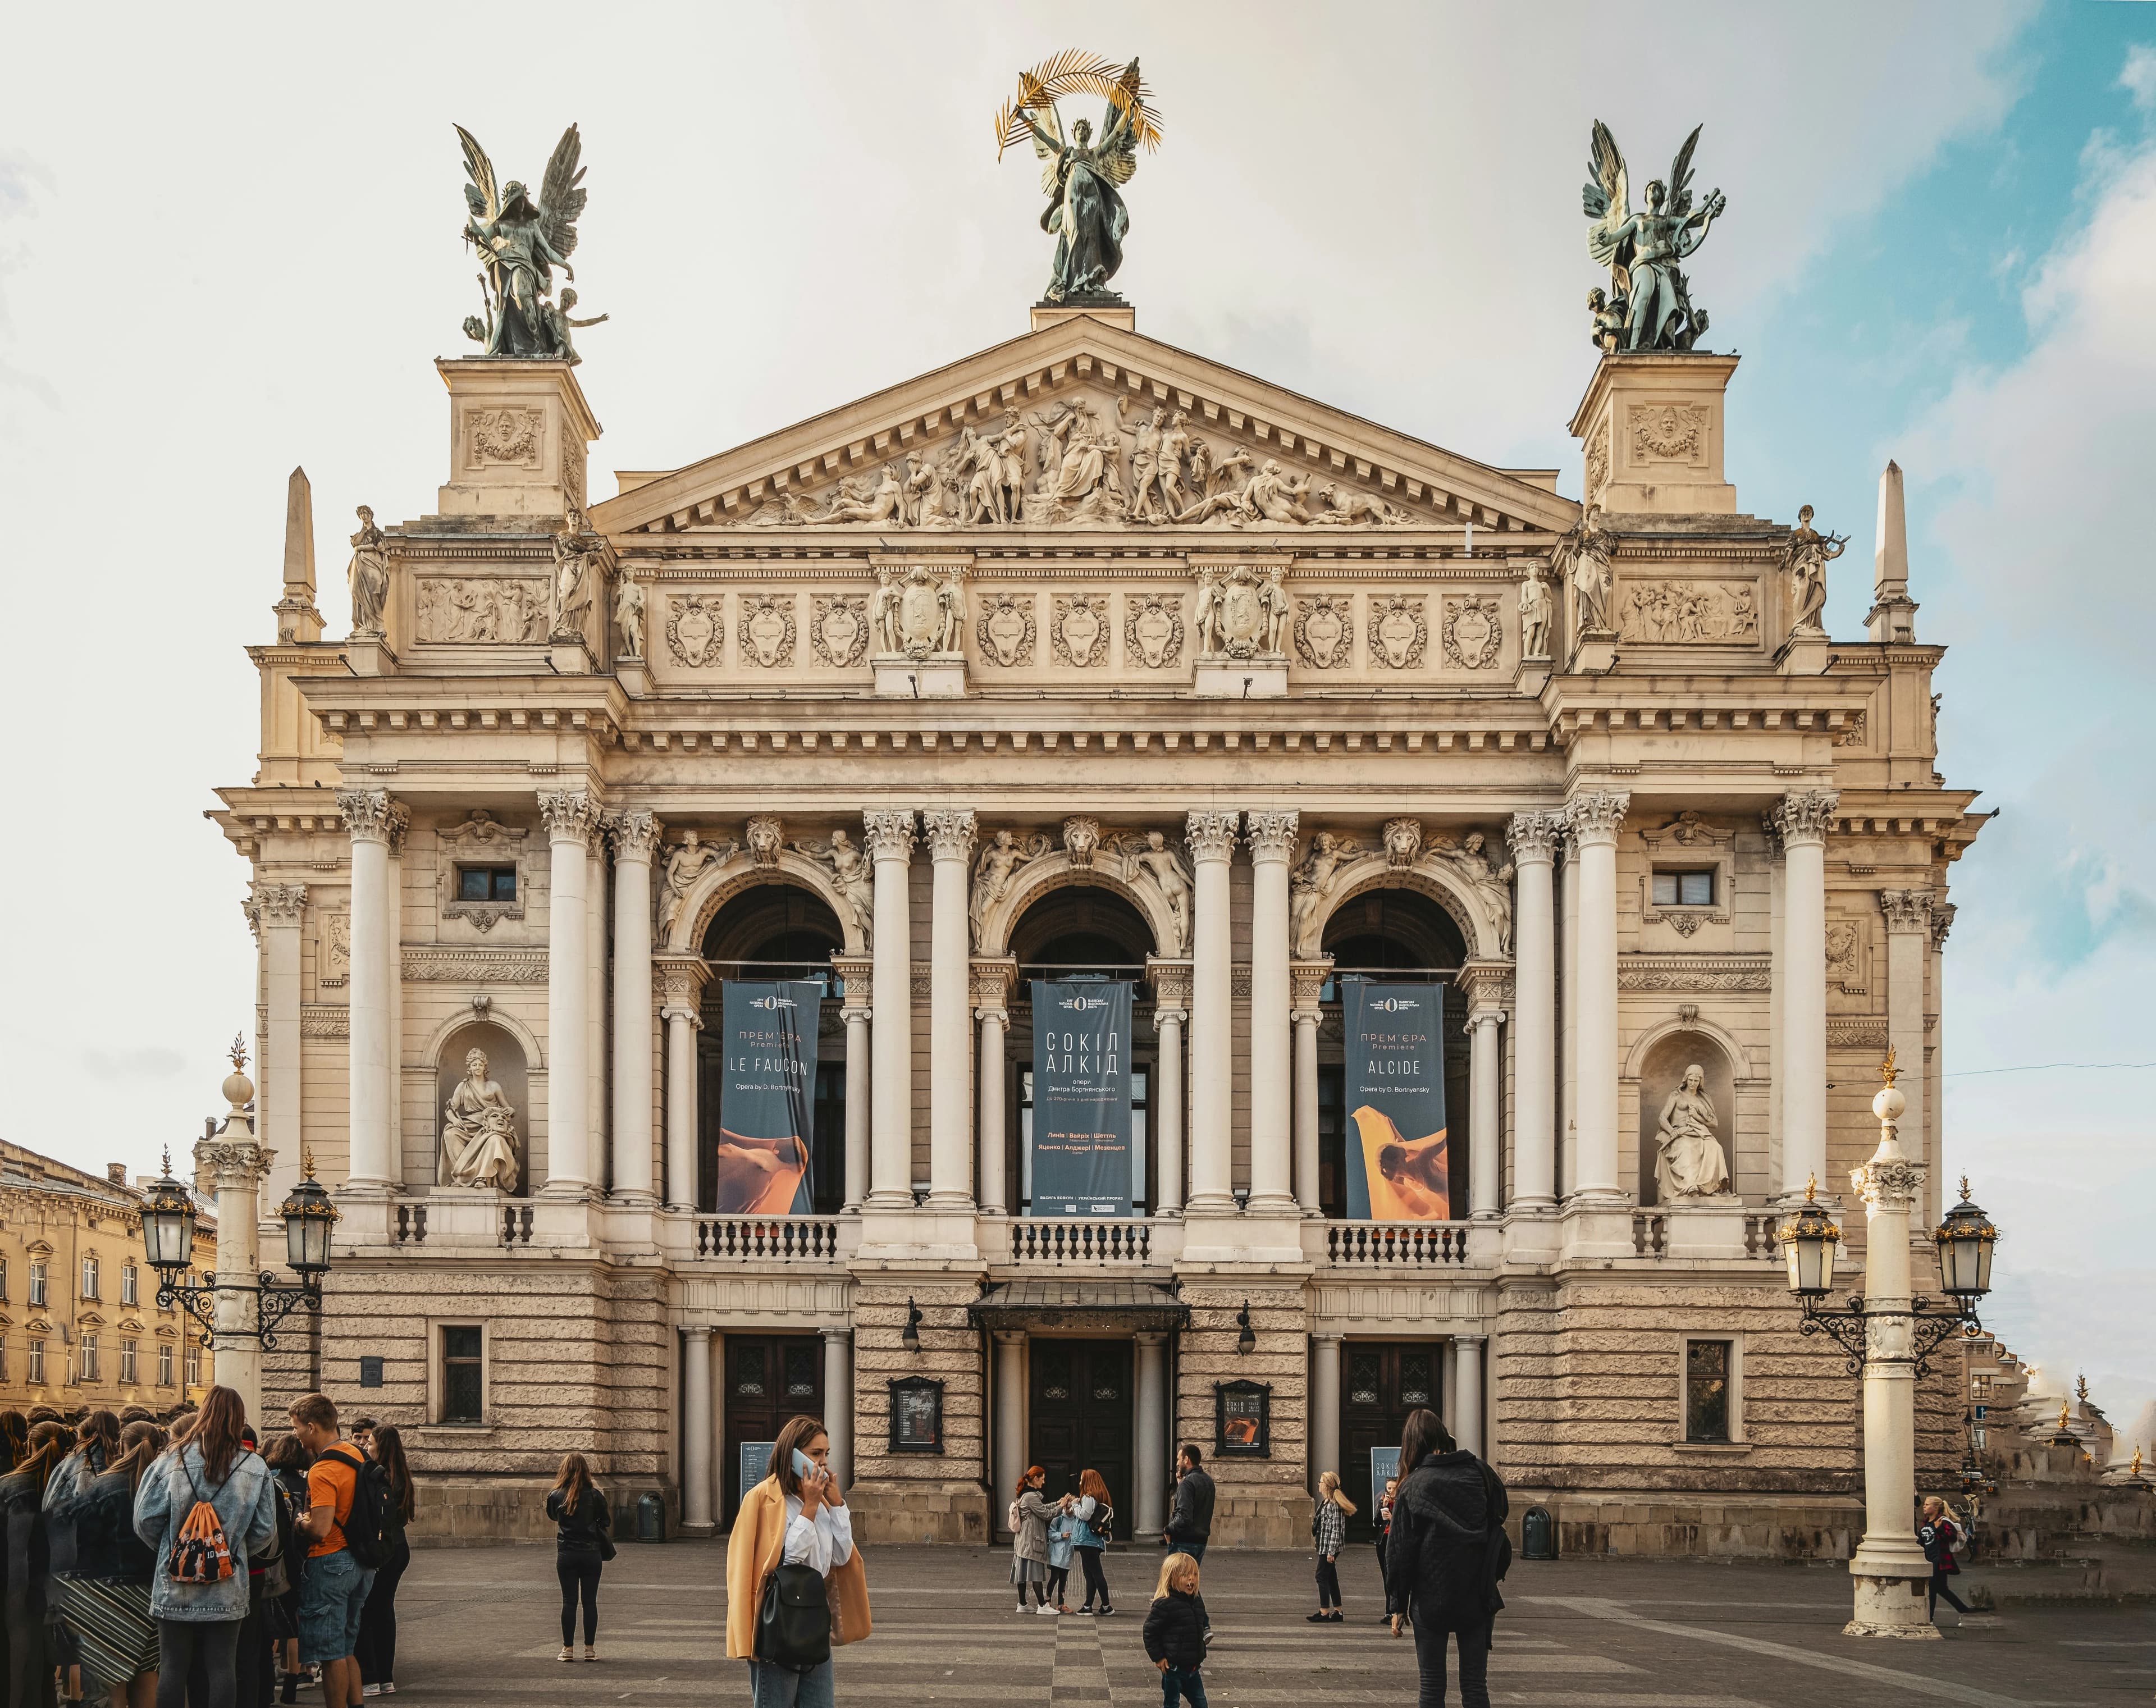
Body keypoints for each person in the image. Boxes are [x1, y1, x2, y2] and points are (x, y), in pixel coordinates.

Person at [131, 1385, 277, 1708]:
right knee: (223, 1667)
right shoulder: (254, 1467)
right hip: (228, 1583)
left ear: (202, 1413)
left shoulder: (170, 1460)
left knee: (172, 1666)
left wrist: (178, 1549)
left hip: (175, 1583)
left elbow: (144, 1520)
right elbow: (265, 1531)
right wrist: (229, 1551)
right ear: (239, 1420)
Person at [724, 1413, 870, 1707]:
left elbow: (841, 1557)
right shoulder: (763, 1499)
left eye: (826, 1454)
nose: (823, 1462)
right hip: (778, 1622)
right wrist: (811, 1507)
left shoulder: (822, 1502)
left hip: (815, 1621)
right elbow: (785, 1563)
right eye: (816, 1453)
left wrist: (837, 1505)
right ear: (792, 1454)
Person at [1382, 1408, 1509, 1708]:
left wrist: (1397, 1606)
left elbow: (1399, 1553)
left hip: (1431, 1598)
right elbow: (1500, 1515)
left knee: (1432, 1685)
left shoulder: (1413, 1485)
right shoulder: (1480, 1472)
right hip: (1478, 1594)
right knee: (1476, 1686)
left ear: (1412, 1445)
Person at [53, 1419, 162, 1708]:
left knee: (114, 1684)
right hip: (155, 1593)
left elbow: (77, 1538)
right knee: (148, 1676)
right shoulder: (163, 1483)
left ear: (121, 1446)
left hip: (110, 1596)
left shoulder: (104, 1485)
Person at [285, 1394, 373, 1708]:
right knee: (347, 1645)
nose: (295, 1434)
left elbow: (320, 1528)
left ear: (311, 1427)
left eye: (296, 1428)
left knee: (331, 1650)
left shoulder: (323, 1470)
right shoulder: (358, 1456)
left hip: (331, 1562)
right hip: (362, 1562)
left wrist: (299, 1523)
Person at [4, 1422, 67, 1708]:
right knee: (43, 1667)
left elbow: (16, 1550)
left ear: (29, 1445)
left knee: (18, 1670)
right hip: (54, 1587)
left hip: (16, 1588)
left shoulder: (14, 1484)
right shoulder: (68, 1485)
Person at [354, 1428, 410, 1697]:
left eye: (371, 1442)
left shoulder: (378, 1477)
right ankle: (386, 1677)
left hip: (381, 1550)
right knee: (384, 1610)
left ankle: (370, 1678)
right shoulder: (401, 1475)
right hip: (399, 1548)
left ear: (382, 1447)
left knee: (365, 1611)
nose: (366, 1445)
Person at [542, 1455, 609, 1664]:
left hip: (567, 1554)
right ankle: (590, 1649)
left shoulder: (555, 1496)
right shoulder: (595, 1496)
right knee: (590, 1602)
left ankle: (567, 1649)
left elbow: (554, 1516)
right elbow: (605, 1520)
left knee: (569, 1601)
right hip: (591, 1554)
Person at [262, 1437, 312, 1706]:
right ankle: (295, 1679)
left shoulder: (271, 1481)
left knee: (269, 1622)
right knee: (294, 1624)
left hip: (275, 1561)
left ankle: (269, 1680)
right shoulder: (305, 1484)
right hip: (299, 1558)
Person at [1141, 1553, 1209, 1708]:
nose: (1191, 1579)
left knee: (1201, 1703)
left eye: (1194, 1574)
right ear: (1172, 1578)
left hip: (1193, 1667)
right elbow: (1150, 1632)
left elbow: (1198, 1625)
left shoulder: (1196, 1600)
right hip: (1173, 1668)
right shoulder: (1165, 1604)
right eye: (1185, 1575)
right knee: (1172, 1703)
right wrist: (1158, 1657)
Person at [1308, 1471, 1356, 1623]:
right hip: (1324, 1545)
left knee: (1321, 1576)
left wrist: (1331, 1551)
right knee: (1330, 1578)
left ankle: (1324, 1612)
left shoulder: (1333, 1505)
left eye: (1321, 1482)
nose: (1319, 1484)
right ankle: (1338, 1611)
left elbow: (1337, 1529)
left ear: (1327, 1486)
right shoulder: (1326, 1503)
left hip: (1328, 1547)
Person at [1008, 1468, 1055, 1615]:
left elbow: (1041, 1508)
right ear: (1036, 1479)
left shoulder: (1025, 1495)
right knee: (1036, 1573)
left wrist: (1057, 1503)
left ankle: (1022, 1604)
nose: (1044, 1481)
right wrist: (1061, 1506)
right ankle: (1042, 1606)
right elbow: (1045, 1513)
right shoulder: (1030, 1496)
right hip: (1031, 1541)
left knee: (1022, 1574)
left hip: (1023, 1541)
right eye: (1042, 1478)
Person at [1918, 1496, 1971, 1623]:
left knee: (1931, 1589)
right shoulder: (1926, 1522)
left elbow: (1952, 1537)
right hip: (1928, 1559)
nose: (1924, 1507)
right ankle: (1963, 1609)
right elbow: (1922, 1541)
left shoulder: (1943, 1522)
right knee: (1941, 1589)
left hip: (1940, 1560)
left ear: (1936, 1507)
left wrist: (1939, 1528)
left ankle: (1928, 1618)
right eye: (1924, 1504)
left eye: (1927, 1505)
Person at [1070, 1470, 1114, 1616]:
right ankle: (1088, 1605)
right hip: (1091, 1541)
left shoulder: (1088, 1497)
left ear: (1088, 1481)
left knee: (1095, 1573)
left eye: (1082, 1479)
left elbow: (1085, 1514)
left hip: (1088, 1540)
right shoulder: (1095, 1497)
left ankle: (1106, 1606)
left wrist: (1074, 1505)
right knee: (1090, 1574)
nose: (1080, 1482)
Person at [1162, 1445, 1213, 1565]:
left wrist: (1168, 1529)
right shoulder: (1208, 1481)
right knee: (1191, 1580)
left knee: (1177, 1581)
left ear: (1186, 1459)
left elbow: (1184, 1517)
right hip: (1201, 1541)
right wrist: (1181, 1485)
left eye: (1178, 1460)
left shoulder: (1188, 1483)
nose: (1177, 1464)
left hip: (1184, 1541)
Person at [1045, 1499, 1077, 1616]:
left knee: (1063, 1579)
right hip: (1057, 1553)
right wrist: (1061, 1535)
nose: (1069, 1510)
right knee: (1054, 1577)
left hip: (1068, 1553)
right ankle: (1047, 1601)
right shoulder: (1058, 1518)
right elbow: (1050, 1534)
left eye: (1071, 1507)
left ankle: (1061, 1603)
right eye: (1067, 1507)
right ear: (1064, 1507)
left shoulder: (1076, 1519)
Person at [1373, 1475, 1398, 1621]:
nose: (1391, 1492)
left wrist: (1391, 1517)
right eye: (1389, 1488)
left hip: (1394, 1541)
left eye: (1394, 1489)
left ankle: (1395, 1610)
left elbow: (1404, 1523)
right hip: (1383, 1541)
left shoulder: (1401, 1503)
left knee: (1393, 1576)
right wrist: (1382, 1507)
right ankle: (1388, 1611)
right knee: (1386, 1576)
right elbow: (1376, 1522)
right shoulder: (1384, 1501)